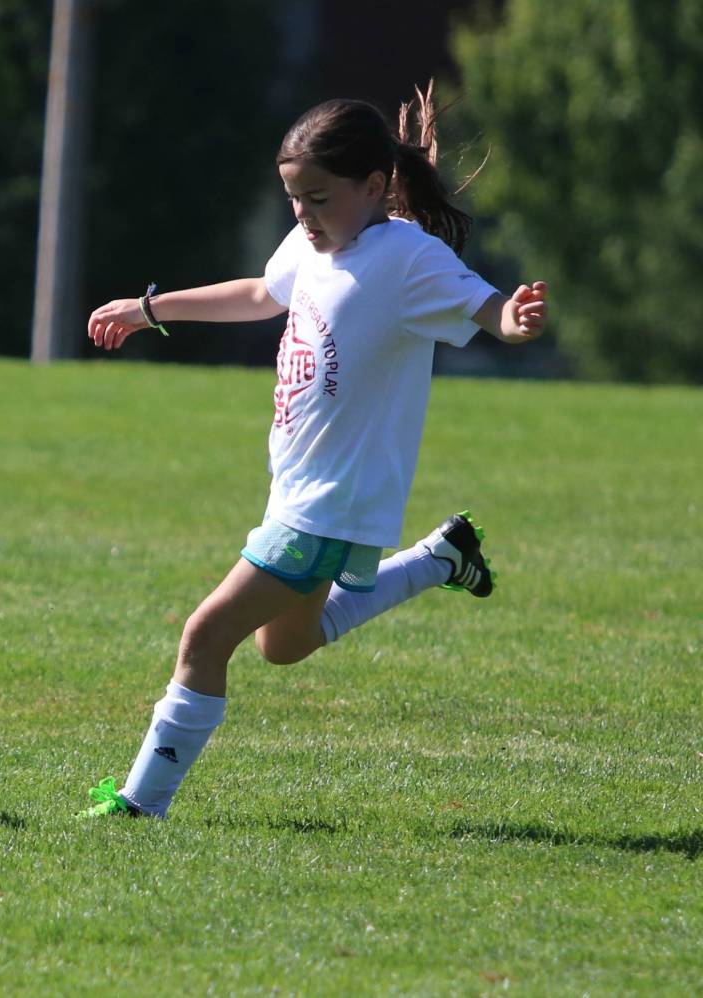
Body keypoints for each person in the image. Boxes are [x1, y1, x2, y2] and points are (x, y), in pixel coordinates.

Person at [79, 84, 548, 819]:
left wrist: (514, 319)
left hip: (327, 507)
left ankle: (140, 805)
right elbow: (262, 293)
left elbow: (487, 310)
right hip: (299, 489)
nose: (303, 215)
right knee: (283, 646)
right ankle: (441, 558)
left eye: (318, 199)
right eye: (294, 199)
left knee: (205, 635)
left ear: (373, 187)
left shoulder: (404, 257)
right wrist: (150, 310)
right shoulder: (314, 240)